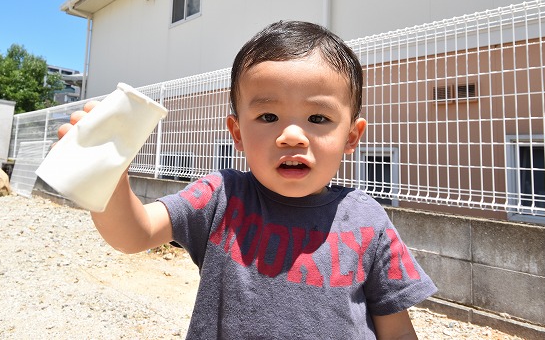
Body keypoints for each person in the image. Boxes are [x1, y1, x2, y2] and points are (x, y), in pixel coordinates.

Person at [59, 21, 437, 339]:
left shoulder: (368, 221)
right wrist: (109, 170)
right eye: (268, 117)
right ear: (237, 133)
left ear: (351, 137)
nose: (292, 135)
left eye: (318, 119)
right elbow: (133, 233)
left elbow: (397, 330)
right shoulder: (220, 197)